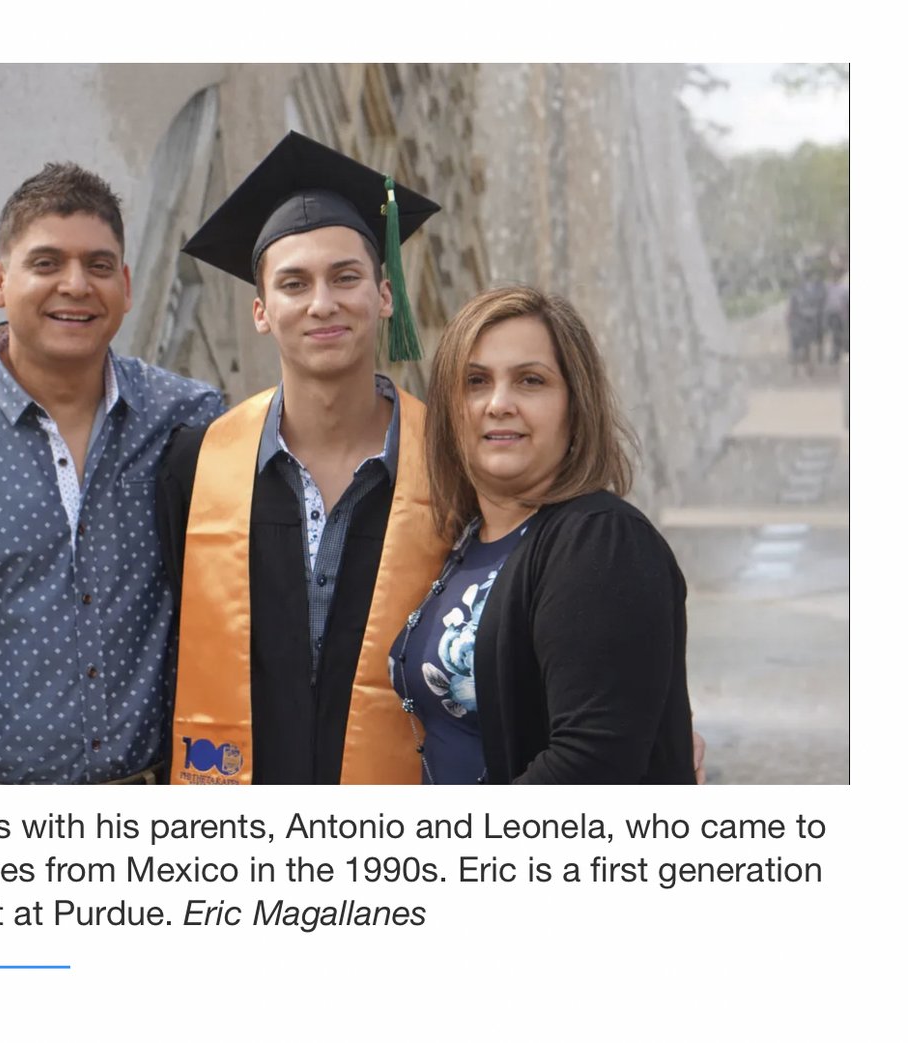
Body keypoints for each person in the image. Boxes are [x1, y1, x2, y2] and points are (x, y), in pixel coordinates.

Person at [0, 162, 224, 784]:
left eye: (99, 266)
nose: (76, 285)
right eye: (47, 263)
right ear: (0, 281)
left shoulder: (188, 421)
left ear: (126, 287)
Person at [157, 132, 450, 784]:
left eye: (346, 277)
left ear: (384, 296)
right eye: (295, 283)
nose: (323, 302)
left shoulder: (452, 466)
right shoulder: (198, 467)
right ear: (262, 311)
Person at [389, 285, 697, 784]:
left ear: (575, 406)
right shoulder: (467, 542)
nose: (499, 403)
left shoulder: (601, 542)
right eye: (475, 381)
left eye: (530, 381)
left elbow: (590, 765)